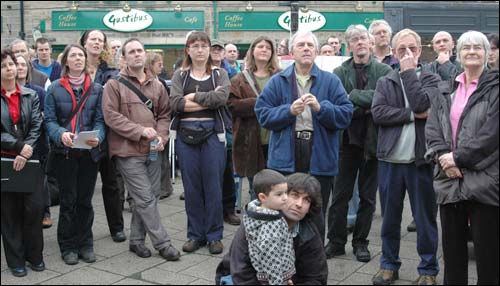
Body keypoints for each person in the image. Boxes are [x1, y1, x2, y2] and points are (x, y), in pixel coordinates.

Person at [255, 30, 353, 241]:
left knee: (315, 207)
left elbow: (346, 114)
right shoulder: (278, 81)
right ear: (291, 51)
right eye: (301, 45)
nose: (306, 48)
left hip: (319, 153)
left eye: (310, 45)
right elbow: (262, 114)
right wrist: (288, 111)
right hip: (286, 154)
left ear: (316, 51)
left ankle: (313, 258)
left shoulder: (331, 80)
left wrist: (322, 108)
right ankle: (282, 254)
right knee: (284, 207)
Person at [425, 31, 499, 285]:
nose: (472, 51)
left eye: (478, 47)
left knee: (489, 258)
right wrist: (444, 159)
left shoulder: (496, 88)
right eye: (466, 46)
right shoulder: (446, 90)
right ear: (459, 52)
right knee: (453, 258)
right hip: (449, 182)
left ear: (487, 53)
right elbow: (433, 129)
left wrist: (458, 159)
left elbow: (493, 134)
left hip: (485, 181)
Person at [371, 29, 440, 285]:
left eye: (412, 48)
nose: (407, 53)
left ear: (420, 50)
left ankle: (428, 269)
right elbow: (378, 114)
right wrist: (411, 115)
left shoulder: (431, 78)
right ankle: (388, 264)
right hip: (390, 161)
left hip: (420, 162)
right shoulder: (385, 81)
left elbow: (424, 104)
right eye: (401, 49)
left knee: (424, 219)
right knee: (389, 219)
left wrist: (409, 72)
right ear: (393, 51)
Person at [102, 38, 180, 261]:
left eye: (140, 50)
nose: (137, 54)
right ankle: (163, 243)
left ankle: (136, 241)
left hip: (154, 149)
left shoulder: (157, 85)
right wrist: (139, 131)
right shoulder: (114, 85)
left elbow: (165, 114)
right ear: (124, 58)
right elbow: (111, 116)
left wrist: (162, 136)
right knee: (145, 198)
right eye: (132, 52)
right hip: (127, 151)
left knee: (150, 196)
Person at [326, 24, 392, 262]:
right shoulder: (338, 72)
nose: (360, 42)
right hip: (346, 143)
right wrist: (365, 105)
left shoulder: (384, 70)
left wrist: (354, 97)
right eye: (355, 39)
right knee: (340, 196)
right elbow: (339, 105)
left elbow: (383, 100)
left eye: (363, 37)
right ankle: (335, 242)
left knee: (367, 198)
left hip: (373, 144)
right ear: (349, 45)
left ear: (371, 42)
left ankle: (361, 243)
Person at [169, 31, 231, 255]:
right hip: (186, 137)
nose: (200, 49)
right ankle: (195, 235)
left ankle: (214, 235)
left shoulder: (220, 74)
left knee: (213, 187)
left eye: (204, 45)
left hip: (213, 136)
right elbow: (175, 104)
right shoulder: (180, 76)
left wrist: (192, 98)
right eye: (194, 45)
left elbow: (221, 99)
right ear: (188, 50)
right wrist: (207, 100)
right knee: (192, 188)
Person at [44, 44, 106, 265]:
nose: (78, 58)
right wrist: (61, 134)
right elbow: (49, 121)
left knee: (85, 201)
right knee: (68, 200)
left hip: (89, 153)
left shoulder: (98, 89)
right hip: (65, 153)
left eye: (81, 55)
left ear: (85, 61)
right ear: (66, 62)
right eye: (73, 55)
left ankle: (85, 243)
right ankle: (68, 245)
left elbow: (100, 119)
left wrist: (98, 136)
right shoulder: (54, 89)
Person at [215, 172, 328, 285]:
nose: (299, 204)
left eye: (306, 200)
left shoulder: (309, 233)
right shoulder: (256, 223)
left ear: (310, 208)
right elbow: (241, 273)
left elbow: (317, 277)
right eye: (295, 195)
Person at [1, 49, 44, 277]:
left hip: (29, 158)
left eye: (11, 64)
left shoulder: (30, 95)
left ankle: (35, 255)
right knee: (9, 213)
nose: (9, 68)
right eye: (4, 65)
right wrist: (17, 147)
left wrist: (25, 150)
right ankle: (15, 260)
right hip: (5, 160)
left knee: (34, 209)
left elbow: (37, 123)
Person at [80, 29, 125, 243]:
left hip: (106, 134)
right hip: (80, 134)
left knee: (111, 183)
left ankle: (116, 227)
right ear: (84, 42)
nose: (97, 42)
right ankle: (82, 230)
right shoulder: (73, 67)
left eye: (101, 40)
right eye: (93, 39)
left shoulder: (111, 71)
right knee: (83, 186)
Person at [229, 35, 281, 202]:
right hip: (250, 141)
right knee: (256, 188)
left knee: (277, 187)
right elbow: (231, 105)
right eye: (260, 46)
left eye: (268, 47)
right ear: (252, 51)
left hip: (277, 140)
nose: (264, 50)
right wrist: (258, 103)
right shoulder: (239, 79)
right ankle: (254, 223)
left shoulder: (282, 77)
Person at [16, 54, 53, 229]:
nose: (20, 67)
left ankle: (44, 211)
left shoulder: (38, 91)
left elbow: (47, 117)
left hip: (38, 144)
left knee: (40, 181)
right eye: (16, 64)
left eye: (23, 64)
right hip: (14, 145)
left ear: (28, 68)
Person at [242, 169, 296, 285]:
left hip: (278, 275)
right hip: (274, 279)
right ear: (263, 197)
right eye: (279, 194)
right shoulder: (269, 228)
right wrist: (278, 282)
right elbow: (272, 261)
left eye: (286, 192)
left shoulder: (269, 214)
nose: (285, 197)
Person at [145, 52, 174, 200]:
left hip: (161, 128)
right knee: (154, 159)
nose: (162, 67)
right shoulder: (146, 81)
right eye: (159, 64)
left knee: (163, 160)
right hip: (148, 128)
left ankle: (164, 188)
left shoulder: (161, 82)